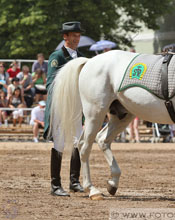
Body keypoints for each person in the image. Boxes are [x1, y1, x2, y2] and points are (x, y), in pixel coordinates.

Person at [44, 21, 85, 196]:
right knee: (59, 142)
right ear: (65, 37)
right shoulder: (57, 56)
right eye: (73, 35)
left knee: (78, 142)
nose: (76, 38)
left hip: (76, 107)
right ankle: (55, 185)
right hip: (61, 106)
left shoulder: (82, 57)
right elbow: (51, 83)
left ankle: (74, 181)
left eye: (78, 35)